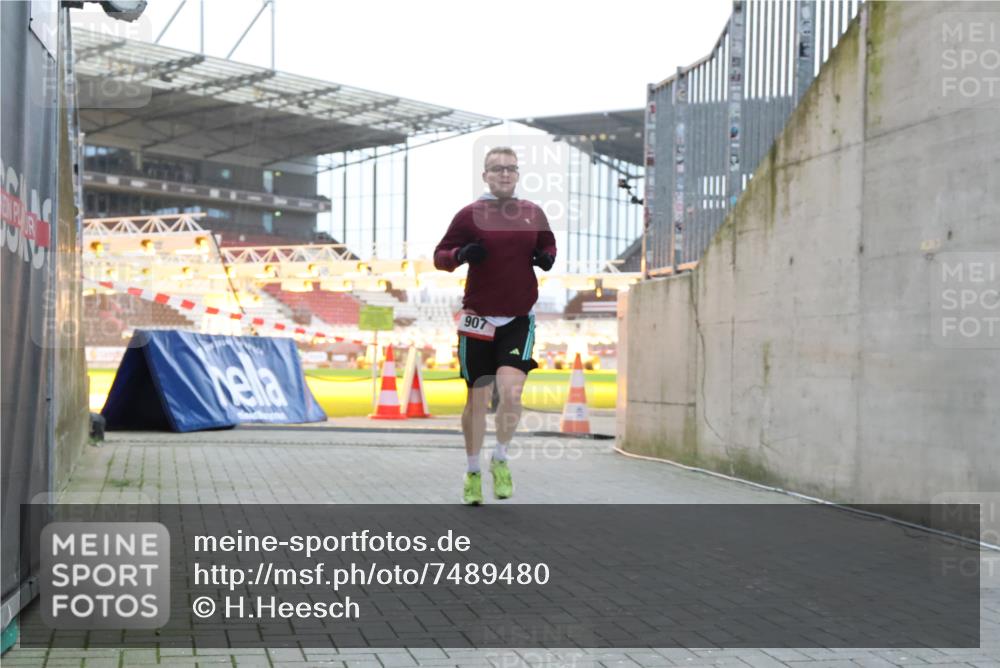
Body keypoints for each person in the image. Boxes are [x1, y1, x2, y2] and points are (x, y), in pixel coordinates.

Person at [434, 146, 556, 505]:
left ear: (517, 175)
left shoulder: (532, 212)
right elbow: (440, 256)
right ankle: (473, 471)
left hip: (518, 317)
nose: (504, 174)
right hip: (478, 318)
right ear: (485, 175)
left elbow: (548, 244)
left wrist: (546, 258)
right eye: (497, 169)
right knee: (478, 398)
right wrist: (460, 255)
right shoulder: (469, 215)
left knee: (512, 392)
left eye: (510, 169)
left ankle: (500, 459)